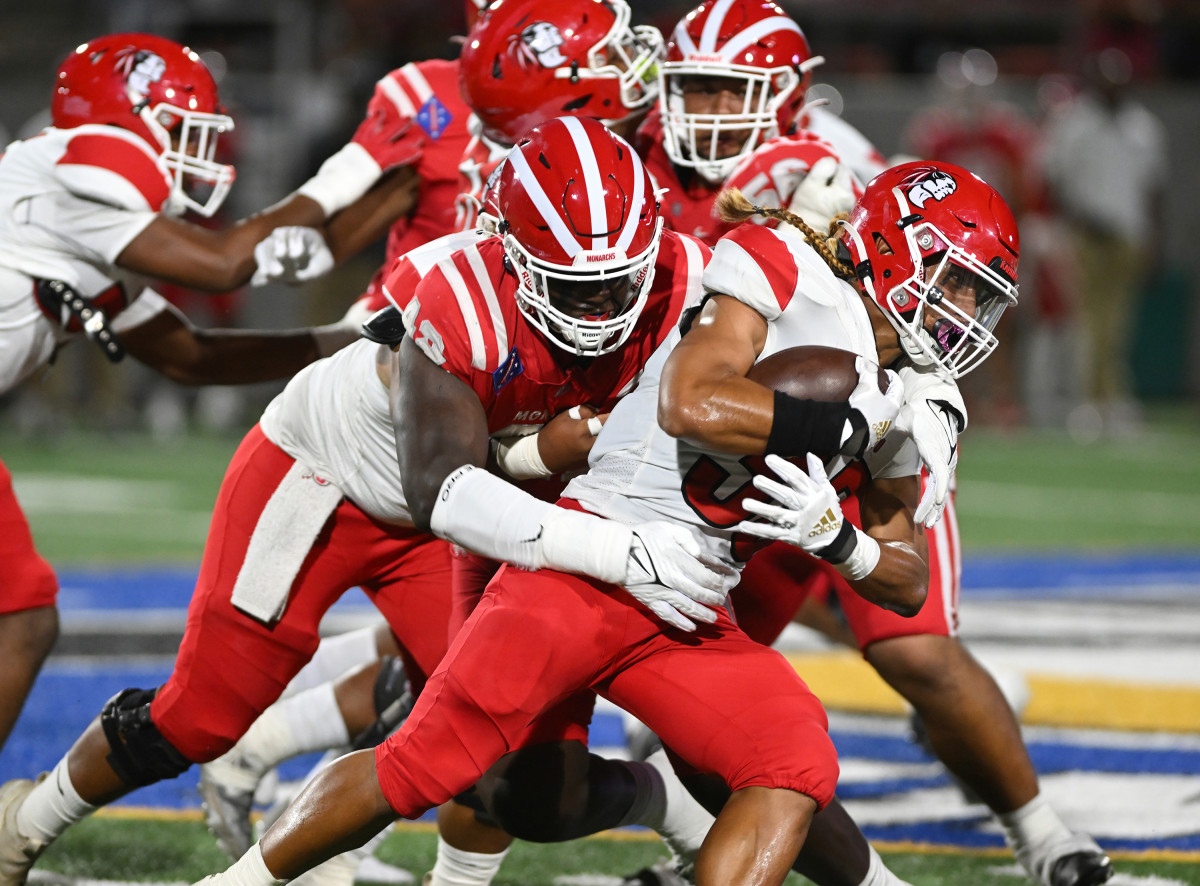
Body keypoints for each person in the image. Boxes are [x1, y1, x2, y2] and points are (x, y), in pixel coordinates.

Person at [162, 160, 1025, 886]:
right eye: (953, 281)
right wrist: (841, 430)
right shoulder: (783, 268)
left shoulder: (915, 398)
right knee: (425, 767)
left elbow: (906, 580)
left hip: (691, 600)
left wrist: (841, 541)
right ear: (890, 246)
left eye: (977, 299)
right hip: (587, 562)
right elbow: (693, 403)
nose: (963, 315)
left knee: (794, 758)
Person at [0, 116, 723, 886]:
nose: (597, 307)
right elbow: (444, 486)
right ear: (506, 252)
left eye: (618, 278)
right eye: (570, 283)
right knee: (202, 716)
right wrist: (614, 538)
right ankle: (22, 825)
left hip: (481, 517)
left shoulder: (690, 280)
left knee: (518, 760)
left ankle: (654, 809)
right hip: (330, 481)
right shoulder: (452, 294)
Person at [0, 30, 422, 759]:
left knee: (24, 615)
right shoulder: (79, 166)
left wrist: (347, 338)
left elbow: (189, 356)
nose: (199, 153)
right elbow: (226, 267)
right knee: (22, 616)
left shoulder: (87, 219)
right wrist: (359, 173)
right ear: (122, 119)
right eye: (179, 129)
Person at [1041, 47, 1167, 436]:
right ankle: (1092, 402)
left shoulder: (1142, 127)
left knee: (1116, 323)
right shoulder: (1074, 123)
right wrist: (1074, 220)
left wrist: (1154, 239)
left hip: (1128, 235)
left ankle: (1106, 399)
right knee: (1088, 322)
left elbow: (1153, 190)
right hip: (1088, 234)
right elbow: (1054, 178)